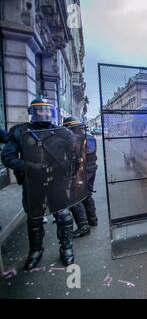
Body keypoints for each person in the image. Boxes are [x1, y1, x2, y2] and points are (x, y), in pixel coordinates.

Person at [1, 98, 76, 270]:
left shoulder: (61, 132)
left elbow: (75, 151)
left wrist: (68, 167)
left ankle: (66, 247)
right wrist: (28, 167)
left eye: (47, 110)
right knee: (34, 218)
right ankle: (35, 250)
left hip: (56, 181)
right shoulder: (20, 132)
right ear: (33, 112)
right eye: (40, 110)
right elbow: (7, 156)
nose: (44, 113)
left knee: (63, 215)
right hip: (32, 182)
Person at [63, 117, 98, 238]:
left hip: (81, 171)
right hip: (91, 169)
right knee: (87, 194)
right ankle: (92, 219)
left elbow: (73, 157)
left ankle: (83, 226)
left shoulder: (76, 139)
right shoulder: (89, 136)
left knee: (75, 198)